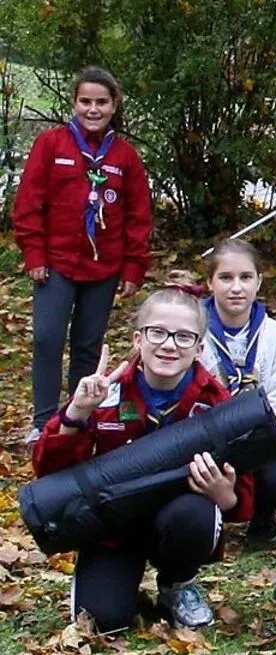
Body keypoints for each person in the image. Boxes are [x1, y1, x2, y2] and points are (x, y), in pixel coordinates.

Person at [31, 287, 254, 632]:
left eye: (183, 337)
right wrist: (76, 413)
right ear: (138, 339)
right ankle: (111, 580)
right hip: (114, 526)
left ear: (198, 347)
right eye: (158, 332)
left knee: (197, 514)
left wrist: (225, 496)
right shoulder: (105, 392)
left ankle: (177, 583)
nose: (169, 345)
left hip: (177, 519)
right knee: (103, 622)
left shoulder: (215, 402)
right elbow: (50, 472)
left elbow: (241, 491)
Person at [13, 66, 153, 448]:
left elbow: (139, 216)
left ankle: (75, 418)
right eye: (85, 101)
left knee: (88, 345)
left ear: (114, 105)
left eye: (101, 102)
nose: (93, 109)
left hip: (103, 267)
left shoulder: (124, 156)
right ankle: (43, 421)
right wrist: (34, 254)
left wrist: (133, 267)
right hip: (55, 264)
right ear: (74, 103)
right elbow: (28, 204)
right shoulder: (51, 144)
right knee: (47, 337)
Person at [199, 240, 276, 545]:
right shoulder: (194, 329)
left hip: (258, 439)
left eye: (245, 277)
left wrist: (260, 447)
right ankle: (208, 520)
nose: (236, 288)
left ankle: (262, 516)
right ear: (210, 282)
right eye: (225, 278)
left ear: (259, 282)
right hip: (204, 439)